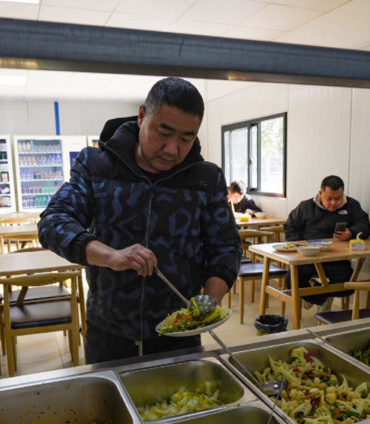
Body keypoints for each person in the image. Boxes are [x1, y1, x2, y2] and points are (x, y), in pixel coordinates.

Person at [37, 77, 242, 364]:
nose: (173, 149)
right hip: (109, 332)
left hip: (179, 334)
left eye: (187, 138)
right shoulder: (97, 166)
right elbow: (53, 223)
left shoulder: (205, 179)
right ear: (143, 115)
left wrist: (208, 301)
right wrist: (111, 256)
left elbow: (227, 246)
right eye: (164, 133)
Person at [284, 175, 370, 309]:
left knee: (348, 284)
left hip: (336, 258)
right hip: (308, 257)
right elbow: (290, 227)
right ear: (321, 194)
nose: (333, 203)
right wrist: (300, 245)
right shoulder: (305, 207)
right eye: (329, 198)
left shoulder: (352, 205)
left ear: (343, 194)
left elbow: (365, 225)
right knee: (292, 281)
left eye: (338, 198)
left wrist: (351, 232)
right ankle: (318, 298)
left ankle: (319, 294)